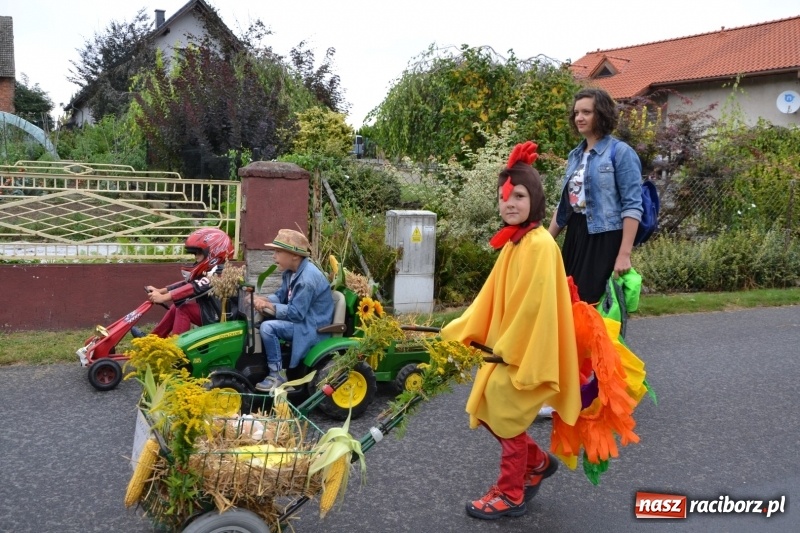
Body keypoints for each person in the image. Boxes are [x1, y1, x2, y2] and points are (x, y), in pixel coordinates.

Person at [440, 142, 582, 520]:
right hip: (508, 349)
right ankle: (535, 462)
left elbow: (533, 308)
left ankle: (511, 493)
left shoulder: (539, 245)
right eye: (504, 197)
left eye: (519, 195)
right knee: (484, 405)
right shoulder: (513, 245)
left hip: (528, 353)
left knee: (500, 405)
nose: (510, 203)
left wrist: (504, 347)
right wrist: (462, 332)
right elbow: (490, 298)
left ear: (534, 200)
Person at [548, 87, 643, 305]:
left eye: (586, 112)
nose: (579, 118)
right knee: (568, 301)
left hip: (605, 238)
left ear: (601, 114)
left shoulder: (620, 153)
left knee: (593, 305)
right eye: (576, 113)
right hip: (576, 234)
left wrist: (624, 254)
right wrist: (545, 239)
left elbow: (632, 206)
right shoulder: (575, 155)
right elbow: (565, 206)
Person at [251, 229, 334, 392]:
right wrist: (263, 300)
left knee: (267, 328)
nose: (274, 256)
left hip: (310, 327)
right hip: (302, 321)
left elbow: (296, 313)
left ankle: (277, 374)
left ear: (294, 256)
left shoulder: (306, 279)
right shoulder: (291, 273)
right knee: (264, 319)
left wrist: (269, 306)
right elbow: (281, 296)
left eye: (278, 251)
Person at [132, 227, 234, 338]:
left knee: (184, 309)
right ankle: (152, 339)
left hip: (219, 318)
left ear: (215, 252)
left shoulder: (221, 272)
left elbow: (195, 287)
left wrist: (164, 298)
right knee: (176, 306)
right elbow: (188, 283)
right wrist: (161, 291)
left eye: (199, 253)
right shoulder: (213, 269)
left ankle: (176, 348)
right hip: (212, 312)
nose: (196, 257)